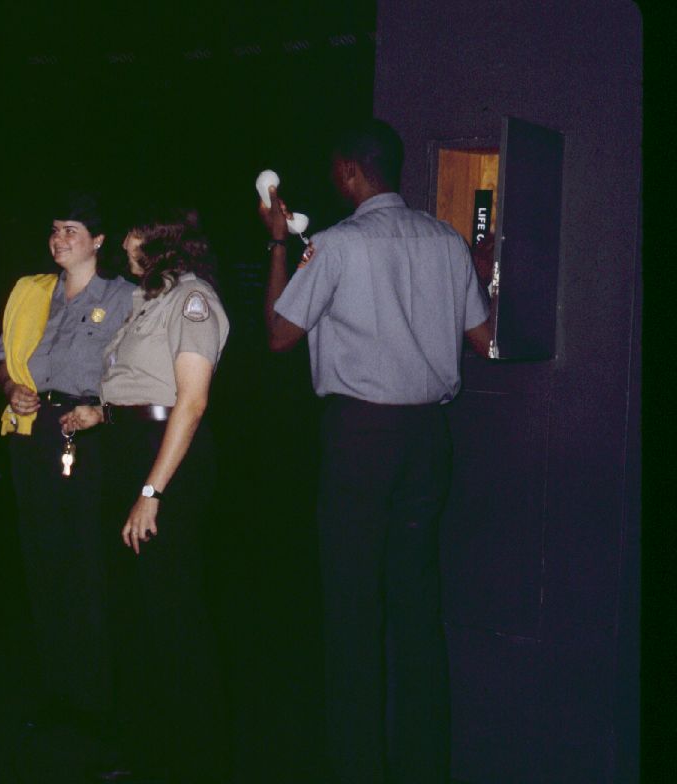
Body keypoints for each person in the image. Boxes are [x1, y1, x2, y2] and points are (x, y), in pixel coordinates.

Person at [261, 119, 492, 783]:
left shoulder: (335, 245)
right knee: (417, 604)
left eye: (336, 170)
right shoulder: (446, 240)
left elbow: (278, 333)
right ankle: (424, 763)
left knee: (352, 605)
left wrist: (277, 243)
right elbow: (484, 341)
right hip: (427, 440)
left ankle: (357, 764)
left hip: (362, 437)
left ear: (349, 172)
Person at [61, 209, 230, 783]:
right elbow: (137, 387)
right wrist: (101, 414)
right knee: (133, 612)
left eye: (135, 237)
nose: (125, 246)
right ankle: (144, 752)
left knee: (171, 611)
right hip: (128, 450)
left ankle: (197, 759)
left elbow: (191, 401)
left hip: (165, 460)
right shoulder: (146, 300)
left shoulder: (192, 299)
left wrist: (152, 491)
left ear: (163, 243)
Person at [0, 193, 134, 738]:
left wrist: (103, 412)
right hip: (35, 434)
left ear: (98, 240)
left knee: (88, 565)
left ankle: (98, 697)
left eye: (71, 230)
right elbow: (6, 361)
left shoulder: (123, 297)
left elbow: (141, 373)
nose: (59, 239)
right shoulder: (34, 292)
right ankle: (58, 689)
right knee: (43, 561)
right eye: (54, 229)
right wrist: (11, 389)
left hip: (92, 437)